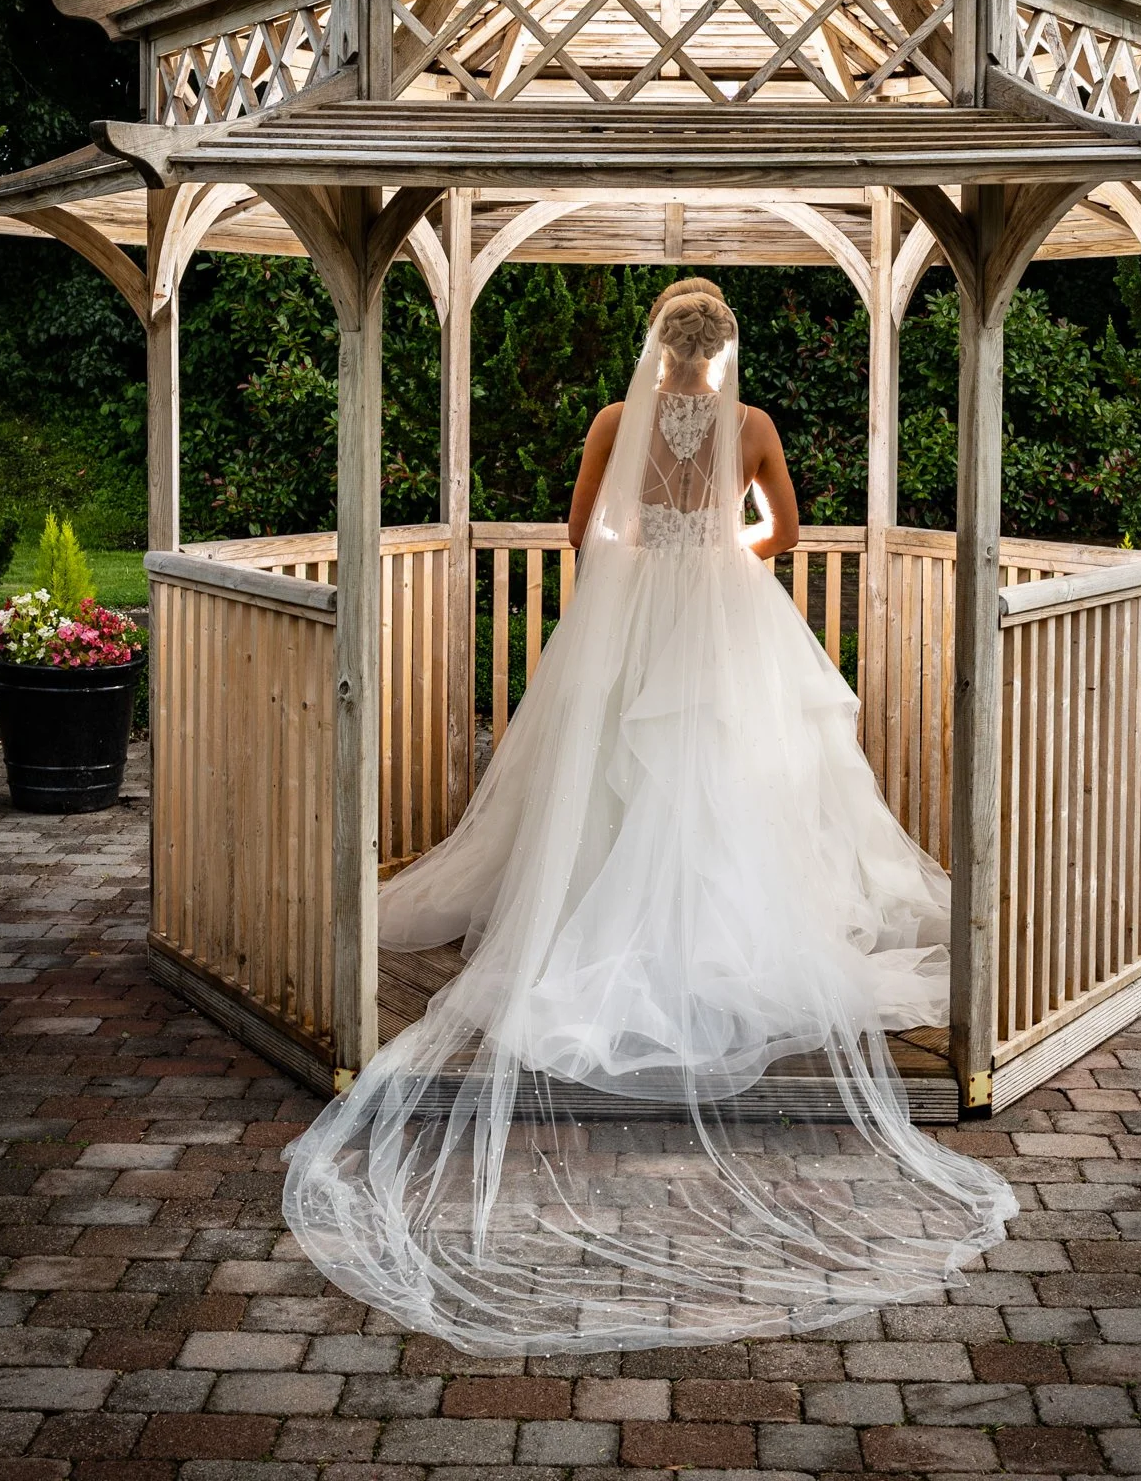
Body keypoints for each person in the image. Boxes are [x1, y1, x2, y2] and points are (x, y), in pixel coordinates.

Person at [284, 279, 1015, 1353]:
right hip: (726, 612)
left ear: (656, 347)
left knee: (608, 768)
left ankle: (597, 911)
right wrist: (723, 556)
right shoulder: (753, 426)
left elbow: (586, 528)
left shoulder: (615, 422)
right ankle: (726, 925)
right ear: (720, 351)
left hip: (636, 611)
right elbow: (789, 530)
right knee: (727, 766)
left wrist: (646, 567)